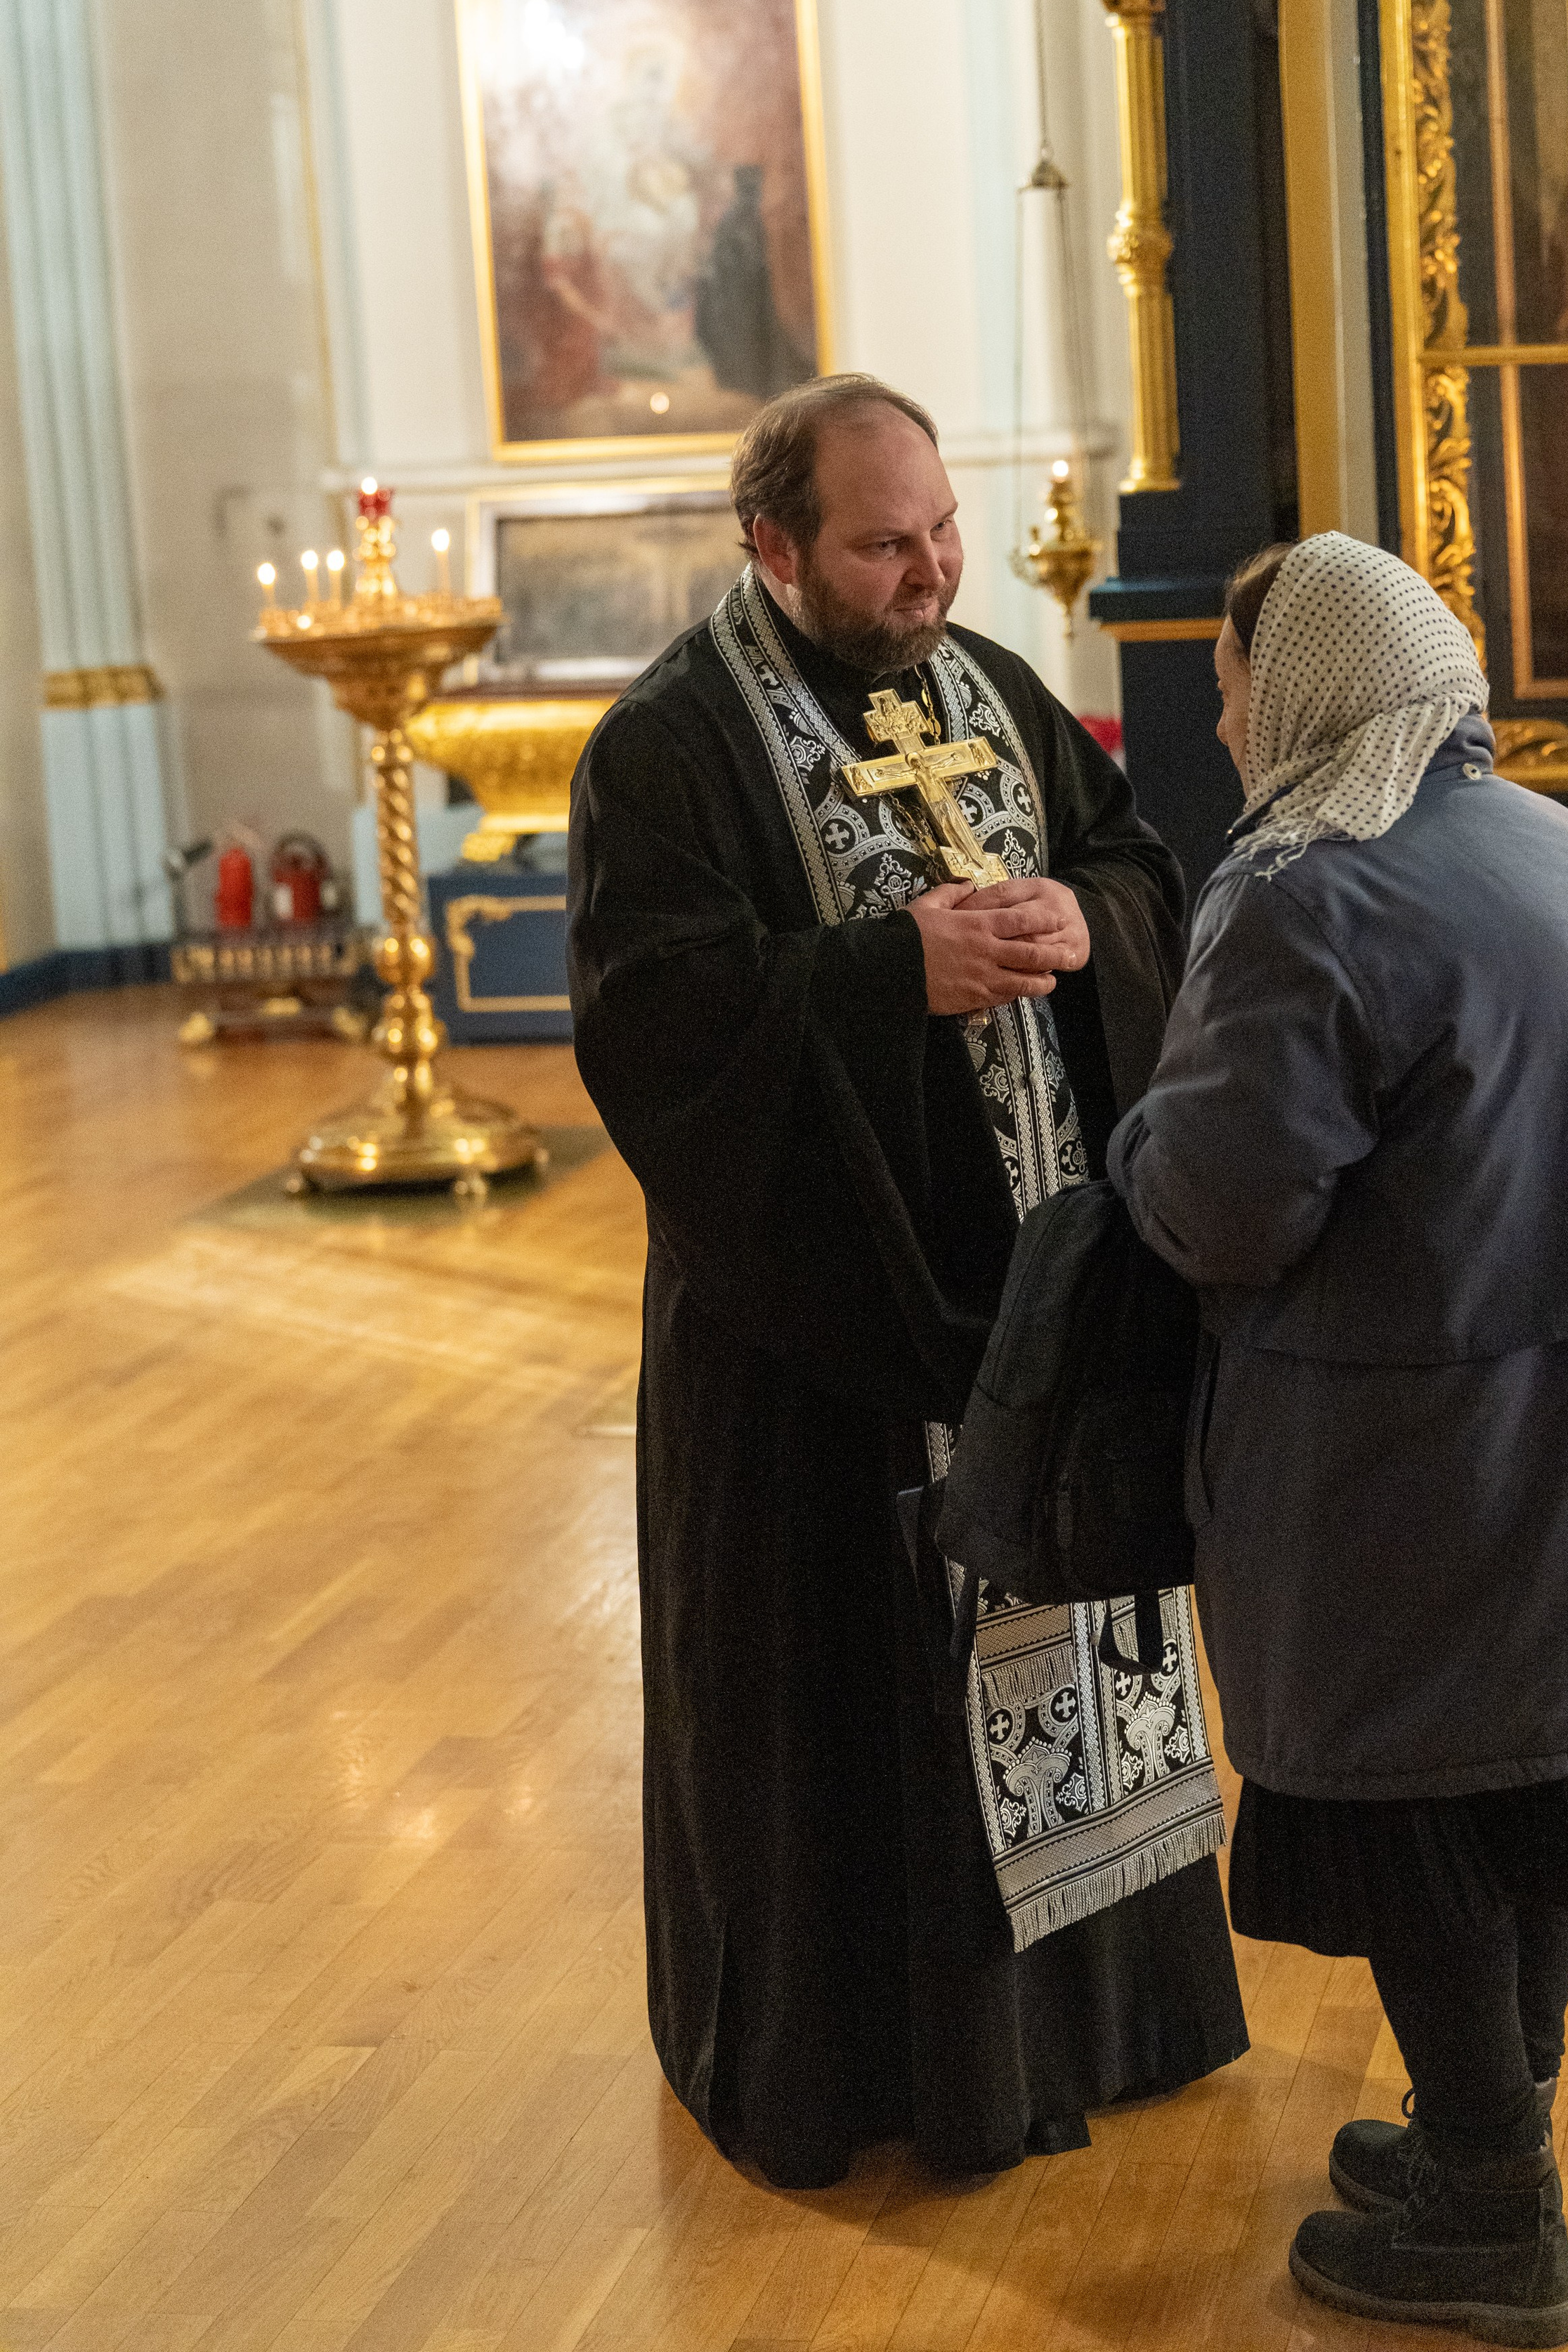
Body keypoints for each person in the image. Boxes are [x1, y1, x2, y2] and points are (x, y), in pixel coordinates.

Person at [565, 372, 1246, 2190]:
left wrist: (1077, 927)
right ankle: (880, 2068)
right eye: (884, 545)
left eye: (942, 529)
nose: (933, 570)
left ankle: (1109, 2022)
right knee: (850, 1714)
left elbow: (1133, 863)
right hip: (820, 1356)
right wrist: (891, 979)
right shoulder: (666, 752)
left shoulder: (991, 690)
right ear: (771, 544)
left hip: (1040, 1303)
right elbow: (658, 1033)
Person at [1110, 533, 1568, 2348]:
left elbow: (1220, 1212)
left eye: (1233, 676)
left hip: (1402, 1444)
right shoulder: (1557, 846)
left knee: (1425, 1796)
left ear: (1310, 684)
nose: (1222, 713)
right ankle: (1471, 2136)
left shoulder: (1311, 889)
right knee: (1532, 1772)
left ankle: (1494, 2214)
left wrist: (1124, 1151)